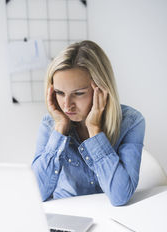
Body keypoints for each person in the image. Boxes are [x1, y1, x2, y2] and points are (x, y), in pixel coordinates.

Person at [32, 40, 145, 206]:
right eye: (59, 93)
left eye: (78, 93)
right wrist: (60, 129)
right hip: (68, 214)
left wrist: (94, 129)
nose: (66, 105)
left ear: (102, 89)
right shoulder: (50, 124)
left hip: (111, 217)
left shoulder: (131, 122)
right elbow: (36, 194)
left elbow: (120, 196)